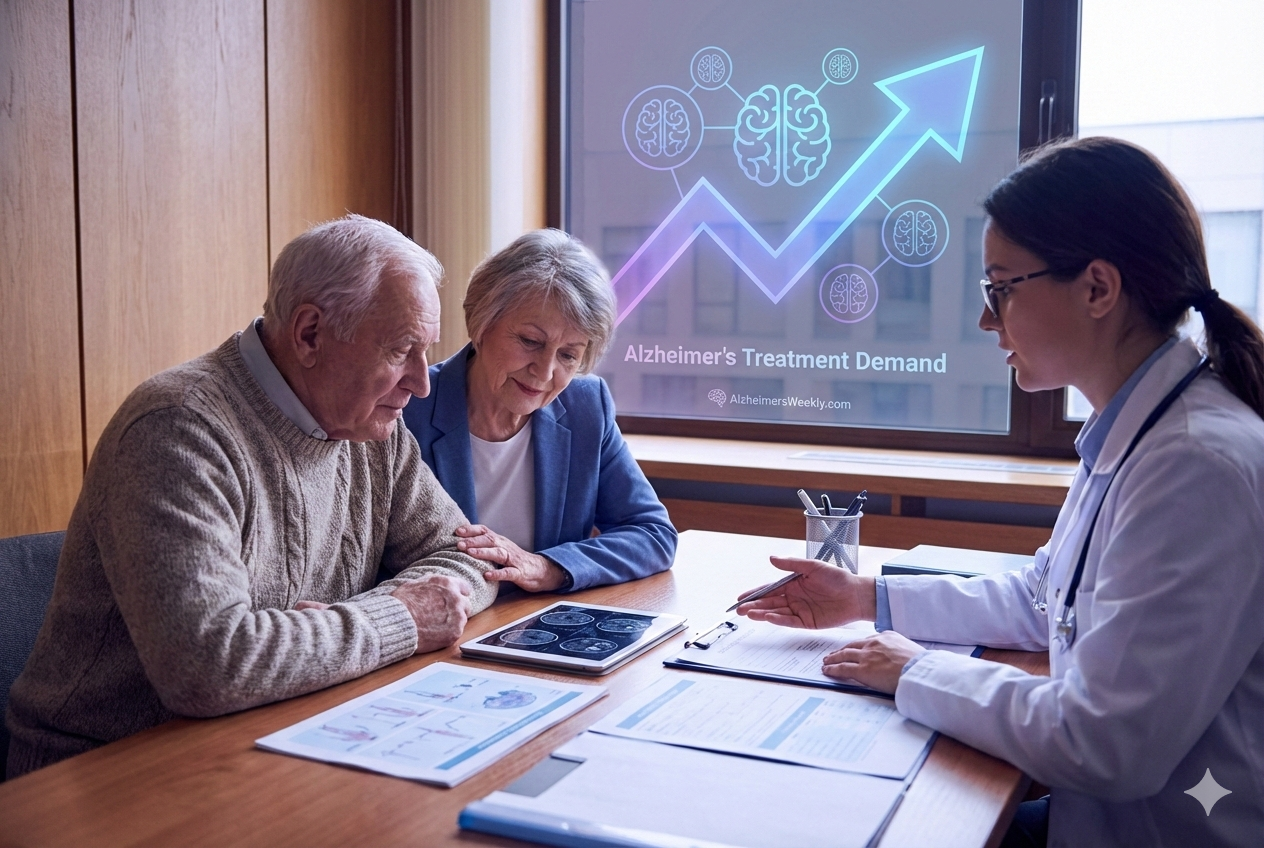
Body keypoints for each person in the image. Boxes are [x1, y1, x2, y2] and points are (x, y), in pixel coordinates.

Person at [735, 138, 1264, 847]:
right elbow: (1042, 597)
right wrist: (865, 599)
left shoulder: (1194, 464)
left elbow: (1104, 743)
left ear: (1098, 289)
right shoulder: (1141, 429)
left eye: (1002, 287)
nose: (988, 319)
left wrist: (917, 671)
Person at [6, 215, 497, 779]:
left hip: (277, 736)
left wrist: (339, 629)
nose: (422, 382)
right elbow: (209, 665)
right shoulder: (178, 429)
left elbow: (475, 559)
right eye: (399, 350)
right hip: (106, 774)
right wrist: (399, 618)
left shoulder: (370, 426)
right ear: (310, 333)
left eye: (425, 351)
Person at [403, 229, 676, 593]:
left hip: (538, 623)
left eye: (568, 355)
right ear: (481, 325)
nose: (545, 372)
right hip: (443, 628)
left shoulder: (585, 405)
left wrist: (547, 567)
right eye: (530, 342)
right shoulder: (407, 407)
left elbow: (653, 534)